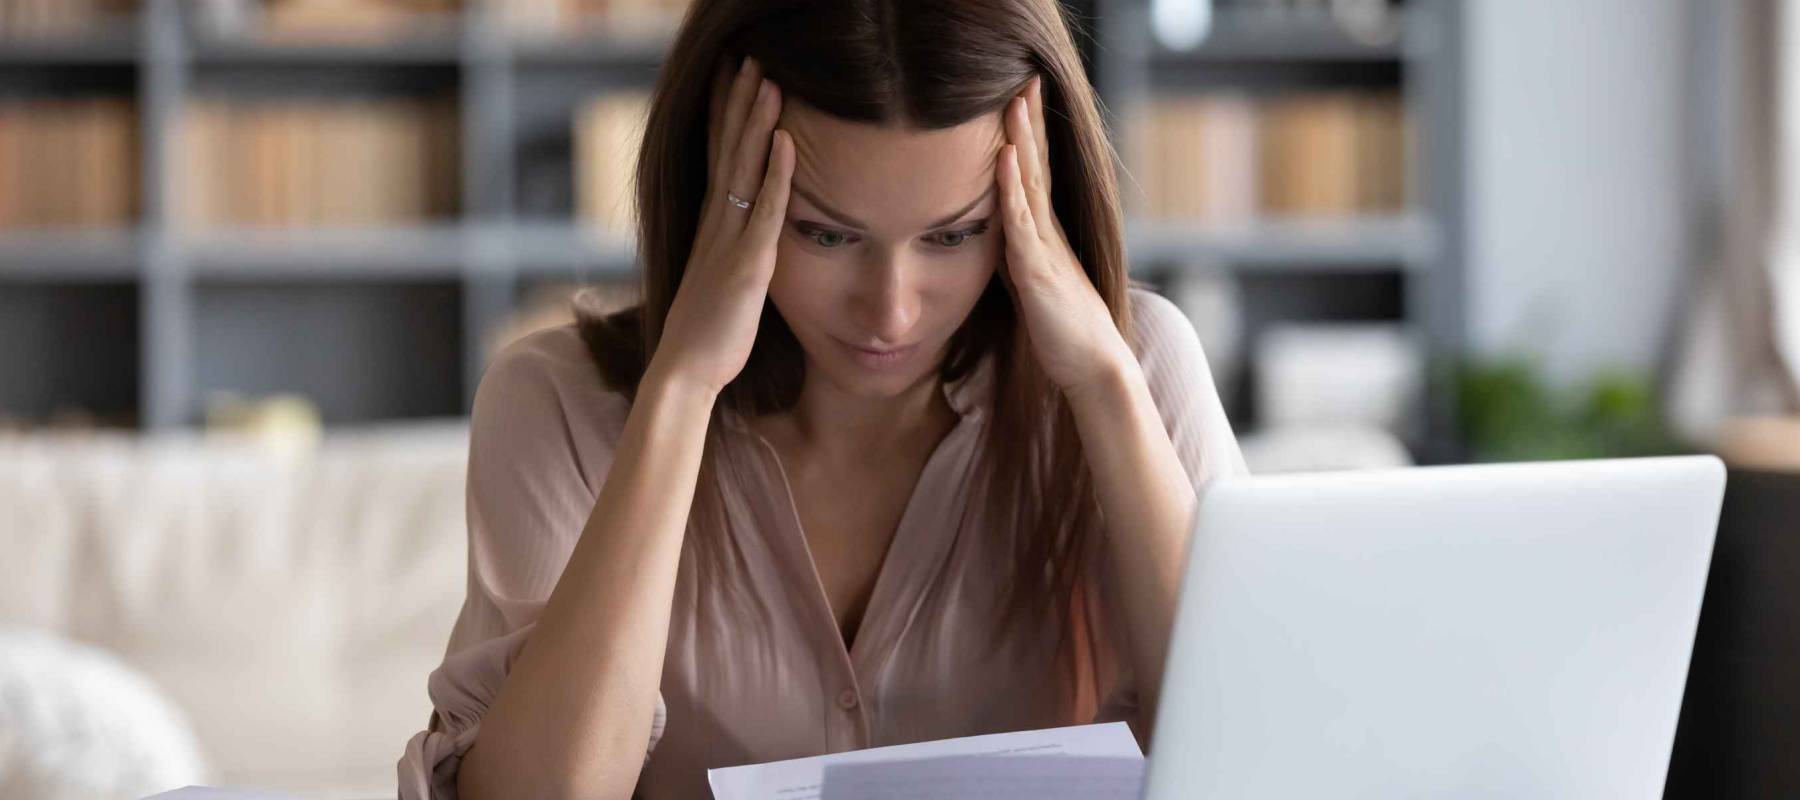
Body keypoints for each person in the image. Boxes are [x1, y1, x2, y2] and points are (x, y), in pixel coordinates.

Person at [399, 0, 1245, 796]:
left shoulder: (1135, 370)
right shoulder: (555, 403)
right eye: (826, 233)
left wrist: (1104, 387)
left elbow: (1265, 757)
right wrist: (682, 390)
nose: (891, 311)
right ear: (718, 191)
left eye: (953, 235)